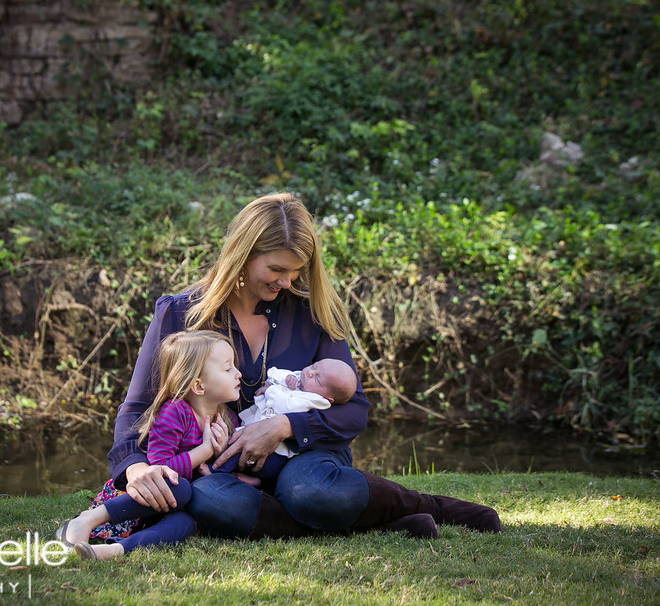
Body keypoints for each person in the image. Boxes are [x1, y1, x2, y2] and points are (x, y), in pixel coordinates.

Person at [106, 193, 501, 541]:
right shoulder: (180, 313)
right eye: (276, 270)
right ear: (242, 256)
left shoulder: (311, 311)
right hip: (217, 465)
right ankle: (376, 526)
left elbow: (354, 409)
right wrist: (135, 467)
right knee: (213, 504)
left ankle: (435, 506)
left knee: (312, 492)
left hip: (304, 454)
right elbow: (138, 406)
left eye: (296, 271)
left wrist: (285, 426)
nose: (287, 281)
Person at [55, 330, 240, 560]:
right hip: (144, 498)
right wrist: (204, 451)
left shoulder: (227, 419)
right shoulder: (175, 412)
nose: (238, 374)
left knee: (186, 522)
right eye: (228, 368)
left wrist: (219, 455)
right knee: (179, 488)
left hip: (176, 506)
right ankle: (88, 519)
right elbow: (159, 467)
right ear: (199, 386)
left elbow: (222, 472)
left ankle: (114, 550)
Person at [211, 358, 358, 480]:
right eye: (314, 366)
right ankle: (254, 481)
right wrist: (280, 381)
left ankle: (217, 472)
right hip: (256, 429)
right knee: (236, 442)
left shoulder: (315, 400)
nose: (310, 373)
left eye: (318, 379)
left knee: (240, 454)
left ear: (327, 398)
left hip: (276, 452)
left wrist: (270, 390)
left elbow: (285, 406)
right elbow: (277, 374)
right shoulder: (302, 380)